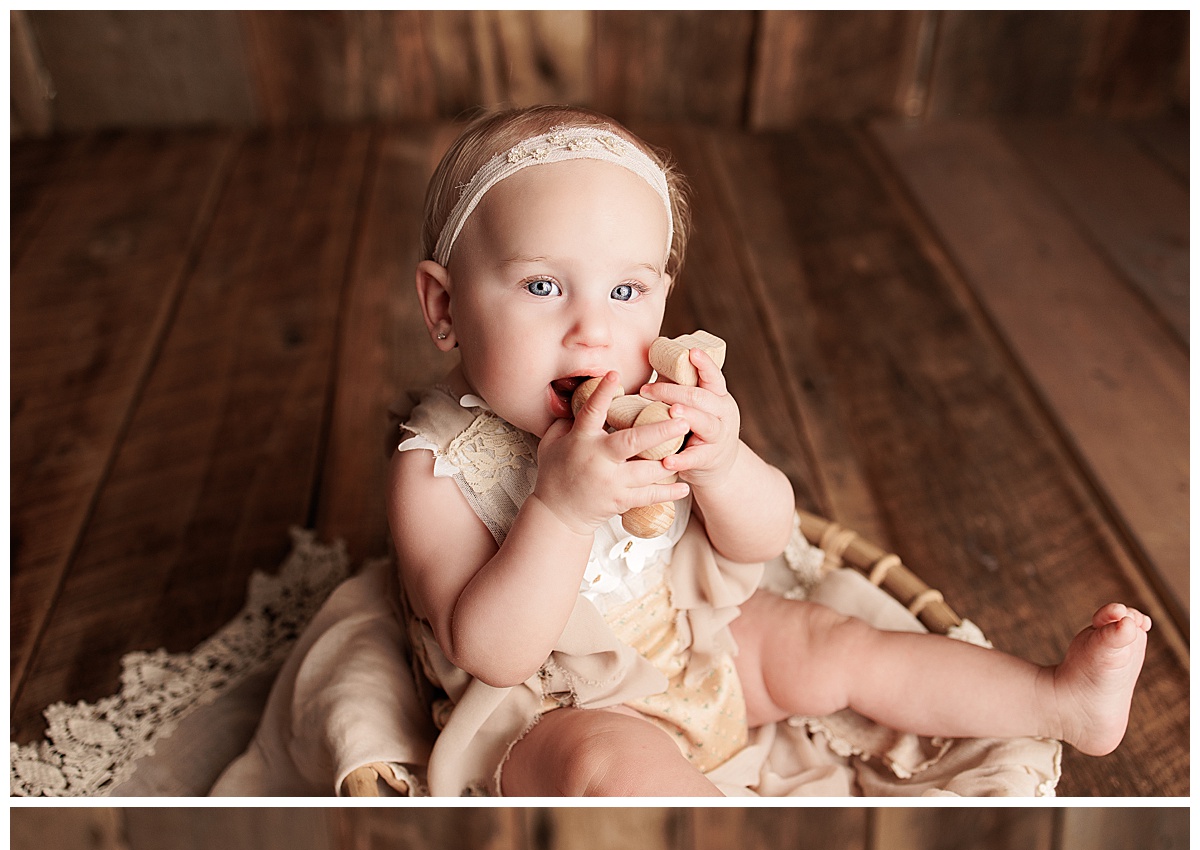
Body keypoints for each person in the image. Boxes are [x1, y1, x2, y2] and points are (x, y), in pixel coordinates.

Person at [388, 105, 1150, 797]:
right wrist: (558, 509)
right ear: (445, 307)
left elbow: (766, 538)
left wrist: (721, 463)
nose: (592, 332)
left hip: (693, 648)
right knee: (612, 766)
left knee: (832, 643)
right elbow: (492, 653)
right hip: (550, 709)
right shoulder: (435, 467)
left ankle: (1056, 699)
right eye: (543, 286)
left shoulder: (656, 401)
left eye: (625, 293)